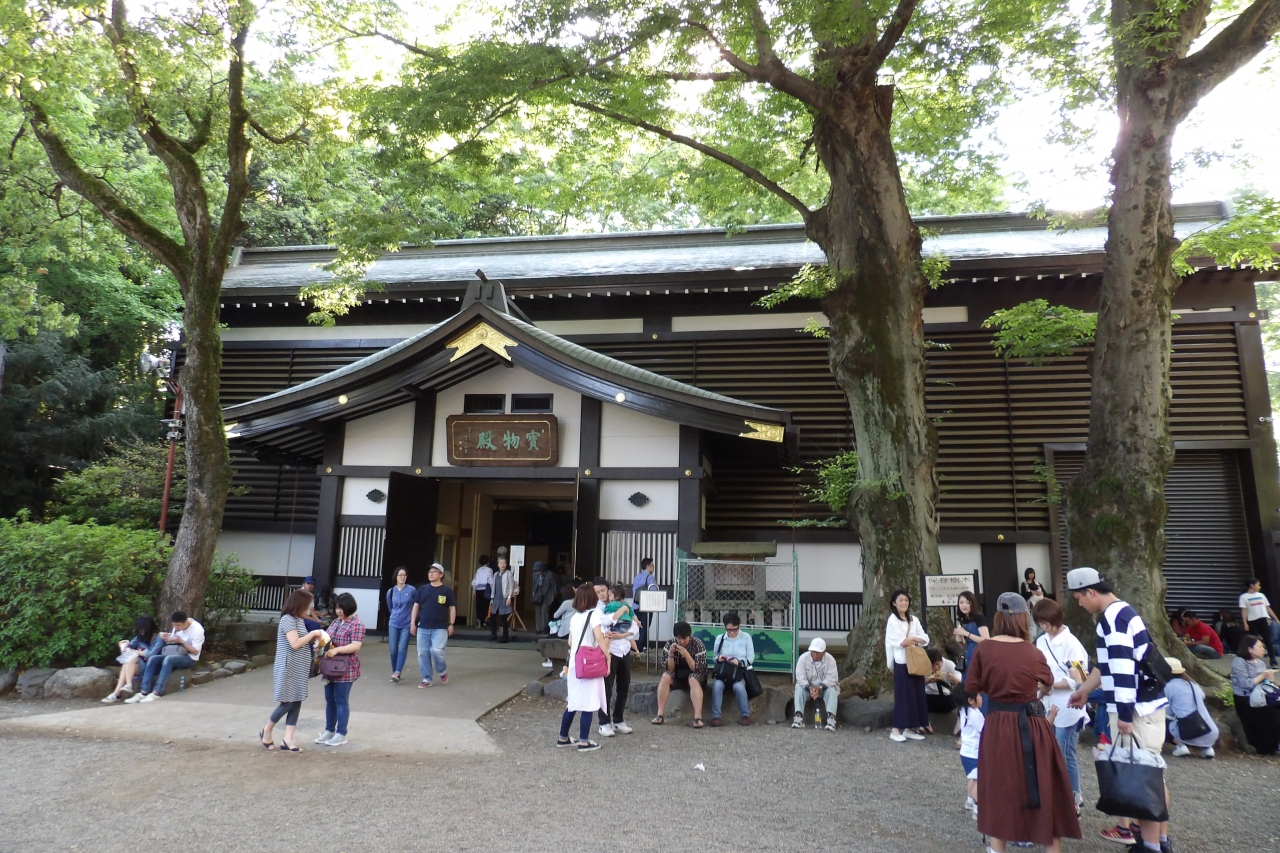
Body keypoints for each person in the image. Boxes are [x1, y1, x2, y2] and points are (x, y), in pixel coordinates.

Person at [1066, 567, 1172, 852]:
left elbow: (1124, 669)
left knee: (1141, 778)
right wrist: (1085, 689)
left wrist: (1124, 714)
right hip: (1145, 705)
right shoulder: (1122, 613)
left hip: (1135, 709)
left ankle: (1150, 846)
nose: (1080, 604)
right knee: (1151, 774)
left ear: (1090, 591)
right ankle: (1159, 840)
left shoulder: (1112, 619)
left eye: (1079, 598)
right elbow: (1106, 664)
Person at [965, 592, 1080, 853]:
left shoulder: (986, 648)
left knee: (1002, 784)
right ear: (1023, 618)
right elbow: (1048, 681)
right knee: (1042, 781)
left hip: (1006, 721)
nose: (1037, 624)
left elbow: (973, 686)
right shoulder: (1034, 648)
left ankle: (998, 847)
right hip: (1033, 720)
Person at [1033, 597, 1090, 814]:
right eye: (1039, 623)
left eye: (1045, 622)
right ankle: (1059, 795)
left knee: (1065, 753)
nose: (1043, 627)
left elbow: (1081, 678)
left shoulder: (1072, 644)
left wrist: (1052, 683)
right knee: (1050, 752)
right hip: (1046, 703)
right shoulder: (1041, 641)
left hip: (1068, 706)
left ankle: (1074, 798)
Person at [260, 590, 325, 751]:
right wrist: (313, 634)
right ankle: (267, 729)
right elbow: (295, 643)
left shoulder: (298, 620)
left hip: (300, 665)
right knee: (288, 702)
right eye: (309, 604)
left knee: (296, 701)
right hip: (288, 666)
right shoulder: (288, 620)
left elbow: (302, 641)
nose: (310, 607)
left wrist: (315, 643)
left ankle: (288, 739)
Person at [557, 584, 609, 751]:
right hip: (589, 664)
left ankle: (563, 737)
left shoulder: (574, 617)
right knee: (588, 702)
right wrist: (607, 656)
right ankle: (584, 741)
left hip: (574, 664)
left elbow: (571, 642)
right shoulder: (594, 615)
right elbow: (600, 639)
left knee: (573, 702)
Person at [317, 592, 365, 747]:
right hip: (330, 667)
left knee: (341, 700)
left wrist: (337, 650)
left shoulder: (356, 624)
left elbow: (356, 645)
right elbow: (327, 637)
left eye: (341, 608)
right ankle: (329, 730)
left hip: (346, 668)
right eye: (337, 608)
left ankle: (341, 733)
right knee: (329, 700)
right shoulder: (336, 622)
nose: (338, 611)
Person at [126, 610, 205, 703]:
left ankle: (157, 692)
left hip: (189, 658)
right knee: (153, 658)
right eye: (174, 625)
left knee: (168, 659)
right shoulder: (177, 627)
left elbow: (196, 652)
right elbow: (172, 641)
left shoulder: (197, 630)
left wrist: (182, 642)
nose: (175, 627)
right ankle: (144, 691)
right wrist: (167, 638)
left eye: (178, 625)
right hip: (176, 653)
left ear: (186, 622)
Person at [884, 588, 929, 742]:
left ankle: (910, 728)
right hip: (902, 661)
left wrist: (913, 639)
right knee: (903, 696)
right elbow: (901, 642)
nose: (904, 603)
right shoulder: (892, 620)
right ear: (894, 603)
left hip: (915, 662)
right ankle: (895, 729)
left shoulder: (914, 619)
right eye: (900, 600)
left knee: (916, 695)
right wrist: (915, 639)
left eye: (906, 600)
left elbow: (925, 638)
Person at [597, 584, 639, 737]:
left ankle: (618, 719)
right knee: (606, 688)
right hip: (610, 651)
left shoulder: (625, 606)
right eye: (599, 592)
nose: (603, 595)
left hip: (625, 649)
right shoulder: (601, 608)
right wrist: (622, 612)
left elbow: (635, 626)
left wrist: (621, 635)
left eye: (604, 592)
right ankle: (604, 722)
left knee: (623, 686)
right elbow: (605, 623)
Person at [652, 621, 708, 728]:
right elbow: (670, 669)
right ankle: (660, 714)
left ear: (689, 636)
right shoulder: (670, 644)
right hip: (678, 674)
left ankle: (698, 717)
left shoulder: (698, 644)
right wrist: (671, 654)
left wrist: (686, 654)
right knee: (665, 676)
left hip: (696, 675)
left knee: (693, 678)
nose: (681, 641)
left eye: (684, 638)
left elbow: (697, 668)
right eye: (678, 638)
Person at [1231, 634, 1280, 755]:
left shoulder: (1260, 663)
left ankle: (1275, 744)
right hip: (1245, 698)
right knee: (1272, 714)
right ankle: (1265, 746)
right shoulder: (1239, 662)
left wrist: (1269, 679)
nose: (1263, 649)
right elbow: (1245, 684)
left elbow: (1265, 684)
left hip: (1261, 696)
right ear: (1250, 649)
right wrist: (1262, 676)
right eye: (1260, 646)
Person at [411, 562, 456, 687]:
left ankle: (442, 671)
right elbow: (416, 606)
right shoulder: (423, 589)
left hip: (440, 627)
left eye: (434, 572)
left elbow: (452, 608)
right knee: (422, 653)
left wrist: (451, 624)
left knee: (437, 650)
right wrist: (412, 624)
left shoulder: (447, 591)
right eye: (429, 572)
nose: (431, 574)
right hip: (423, 626)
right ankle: (427, 678)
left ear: (441, 575)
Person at [1163, 656, 1218, 758]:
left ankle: (1181, 746)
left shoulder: (1168, 686)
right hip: (1210, 732)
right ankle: (1208, 749)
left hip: (1187, 732)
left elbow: (1165, 710)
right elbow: (1202, 696)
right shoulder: (1193, 684)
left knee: (1162, 719)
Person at [709, 611, 755, 727]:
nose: (732, 632)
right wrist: (720, 658)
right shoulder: (720, 638)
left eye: (735, 629)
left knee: (739, 687)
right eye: (729, 630)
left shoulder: (746, 637)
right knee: (717, 686)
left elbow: (750, 658)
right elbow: (714, 658)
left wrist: (739, 662)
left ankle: (745, 715)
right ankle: (716, 716)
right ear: (725, 627)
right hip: (723, 672)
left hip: (739, 672)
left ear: (739, 626)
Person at [103, 615, 164, 703]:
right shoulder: (140, 637)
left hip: (151, 667)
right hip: (140, 666)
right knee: (126, 665)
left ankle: (126, 687)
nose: (141, 632)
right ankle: (117, 693)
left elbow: (151, 654)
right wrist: (123, 645)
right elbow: (131, 644)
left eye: (142, 629)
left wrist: (135, 651)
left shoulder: (159, 638)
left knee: (132, 658)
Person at [792, 637, 839, 730]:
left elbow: (832, 678)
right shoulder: (803, 658)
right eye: (813, 651)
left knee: (832, 690)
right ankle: (798, 716)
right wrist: (809, 687)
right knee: (799, 688)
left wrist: (820, 687)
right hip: (808, 688)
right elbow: (800, 677)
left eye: (817, 652)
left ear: (824, 652)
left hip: (824, 688)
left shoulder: (831, 660)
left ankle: (831, 719)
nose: (814, 654)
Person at [958, 690, 985, 821]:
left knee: (973, 778)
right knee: (980, 780)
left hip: (966, 752)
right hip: (975, 752)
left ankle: (970, 800)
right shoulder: (974, 714)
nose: (981, 697)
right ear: (970, 700)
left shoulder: (964, 710)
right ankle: (977, 807)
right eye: (979, 695)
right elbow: (984, 730)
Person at [1239, 578, 1279, 666]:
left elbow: (1268, 608)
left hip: (1263, 619)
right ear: (1252, 585)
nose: (1259, 587)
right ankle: (1251, 659)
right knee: (1253, 640)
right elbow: (1244, 611)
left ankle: (1272, 659)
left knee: (1267, 639)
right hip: (1252, 620)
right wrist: (1245, 623)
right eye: (1258, 584)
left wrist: (1276, 619)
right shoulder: (1244, 597)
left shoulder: (1261, 595)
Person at [385, 566, 415, 683]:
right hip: (393, 623)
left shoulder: (411, 590)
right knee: (393, 649)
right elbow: (390, 607)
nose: (402, 577)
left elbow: (416, 606)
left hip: (406, 624)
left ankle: (397, 671)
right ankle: (395, 671)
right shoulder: (391, 591)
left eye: (404, 575)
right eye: (400, 575)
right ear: (396, 577)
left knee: (402, 648)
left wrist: (412, 620)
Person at [953, 590, 990, 677]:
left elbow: (986, 640)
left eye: (967, 602)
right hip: (967, 658)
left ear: (972, 603)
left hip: (980, 656)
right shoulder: (962, 619)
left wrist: (966, 633)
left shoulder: (978, 617)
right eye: (961, 602)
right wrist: (959, 639)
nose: (964, 605)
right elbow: (965, 646)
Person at [924, 647, 961, 714]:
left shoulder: (949, 664)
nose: (936, 668)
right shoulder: (924, 667)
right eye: (933, 665)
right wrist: (928, 681)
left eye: (938, 664)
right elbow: (918, 683)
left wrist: (953, 678)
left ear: (941, 661)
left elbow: (959, 680)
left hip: (946, 696)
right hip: (929, 695)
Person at [489, 555, 516, 643]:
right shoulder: (496, 574)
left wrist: (509, 597)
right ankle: (493, 634)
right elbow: (494, 587)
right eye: (501, 563)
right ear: (498, 564)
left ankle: (505, 637)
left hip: (504, 598)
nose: (503, 565)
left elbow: (511, 586)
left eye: (504, 563)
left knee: (503, 618)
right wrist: (492, 598)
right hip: (496, 598)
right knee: (492, 616)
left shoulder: (509, 573)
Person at [632, 556, 657, 648]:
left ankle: (646, 645)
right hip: (646, 607)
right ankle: (639, 647)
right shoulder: (650, 578)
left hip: (635, 606)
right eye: (652, 565)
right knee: (645, 627)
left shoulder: (636, 577)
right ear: (648, 567)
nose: (653, 567)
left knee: (641, 627)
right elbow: (654, 592)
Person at [531, 561, 558, 635]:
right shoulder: (535, 574)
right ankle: (538, 628)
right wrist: (533, 593)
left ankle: (545, 628)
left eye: (539, 570)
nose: (538, 572)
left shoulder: (550, 574)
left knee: (544, 611)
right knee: (538, 612)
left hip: (547, 595)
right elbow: (534, 584)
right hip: (538, 595)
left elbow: (554, 586)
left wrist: (554, 595)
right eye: (536, 570)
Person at [471, 555, 494, 629]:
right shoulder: (489, 570)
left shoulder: (478, 570)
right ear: (487, 561)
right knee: (486, 606)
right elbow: (491, 581)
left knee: (478, 606)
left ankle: (479, 620)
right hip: (485, 590)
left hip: (478, 590)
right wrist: (493, 591)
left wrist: (474, 592)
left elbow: (474, 582)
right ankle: (484, 621)